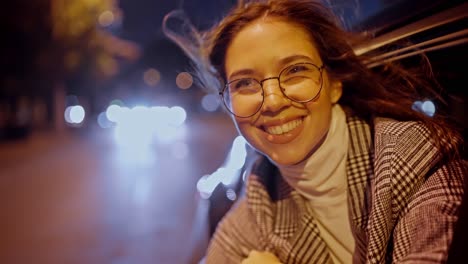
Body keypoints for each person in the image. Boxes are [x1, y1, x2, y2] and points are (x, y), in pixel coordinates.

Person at [163, 0, 466, 263]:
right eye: (244, 83)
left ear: (335, 84)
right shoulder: (260, 201)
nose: (272, 101)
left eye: (295, 71)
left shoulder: (415, 165)